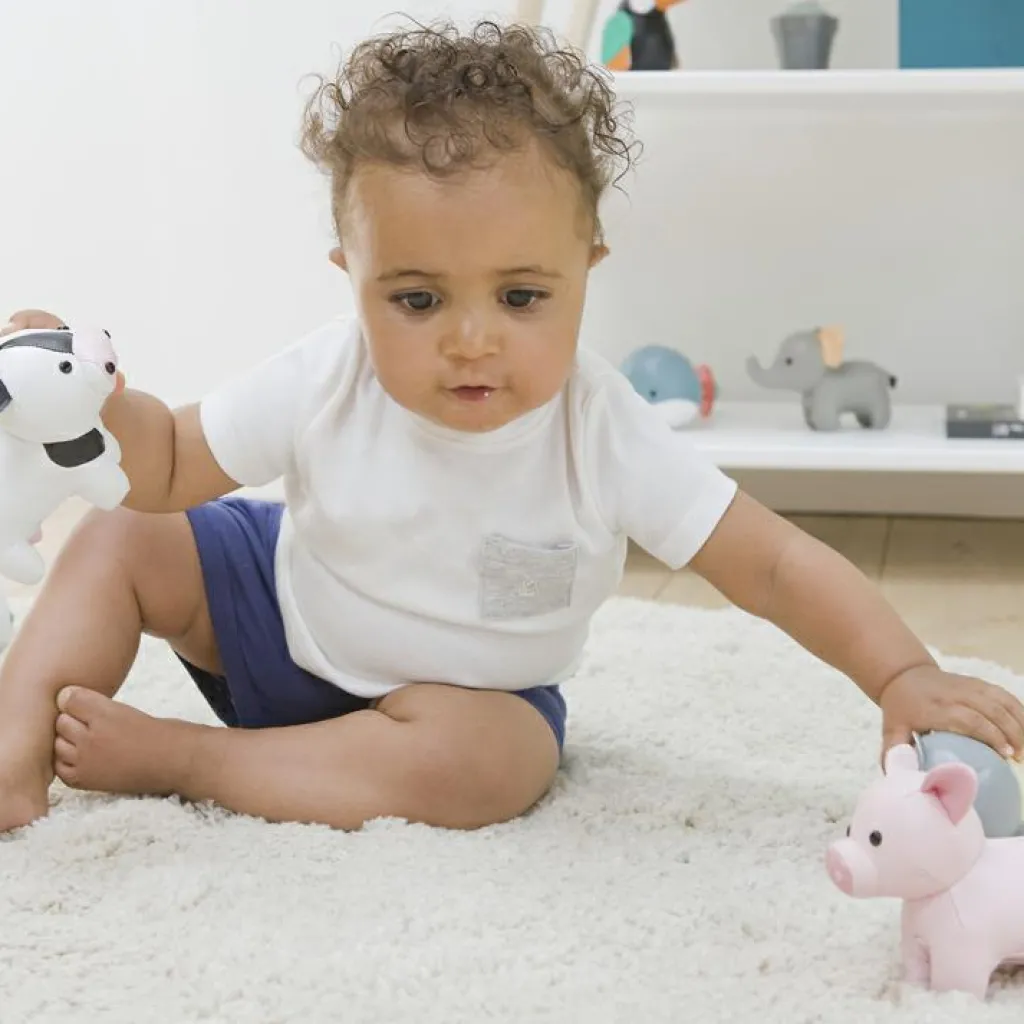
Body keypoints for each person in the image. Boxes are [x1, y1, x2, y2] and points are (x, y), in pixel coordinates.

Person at [0, 19, 1021, 835]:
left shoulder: (601, 428)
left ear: (585, 271)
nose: (471, 341)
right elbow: (169, 461)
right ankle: (11, 757)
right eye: (416, 300)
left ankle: (191, 761)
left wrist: (901, 672)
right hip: (280, 620)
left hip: (456, 705)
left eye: (522, 297)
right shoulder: (326, 374)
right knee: (122, 535)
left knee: (499, 763)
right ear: (352, 278)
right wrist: (86, 400)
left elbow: (774, 564)